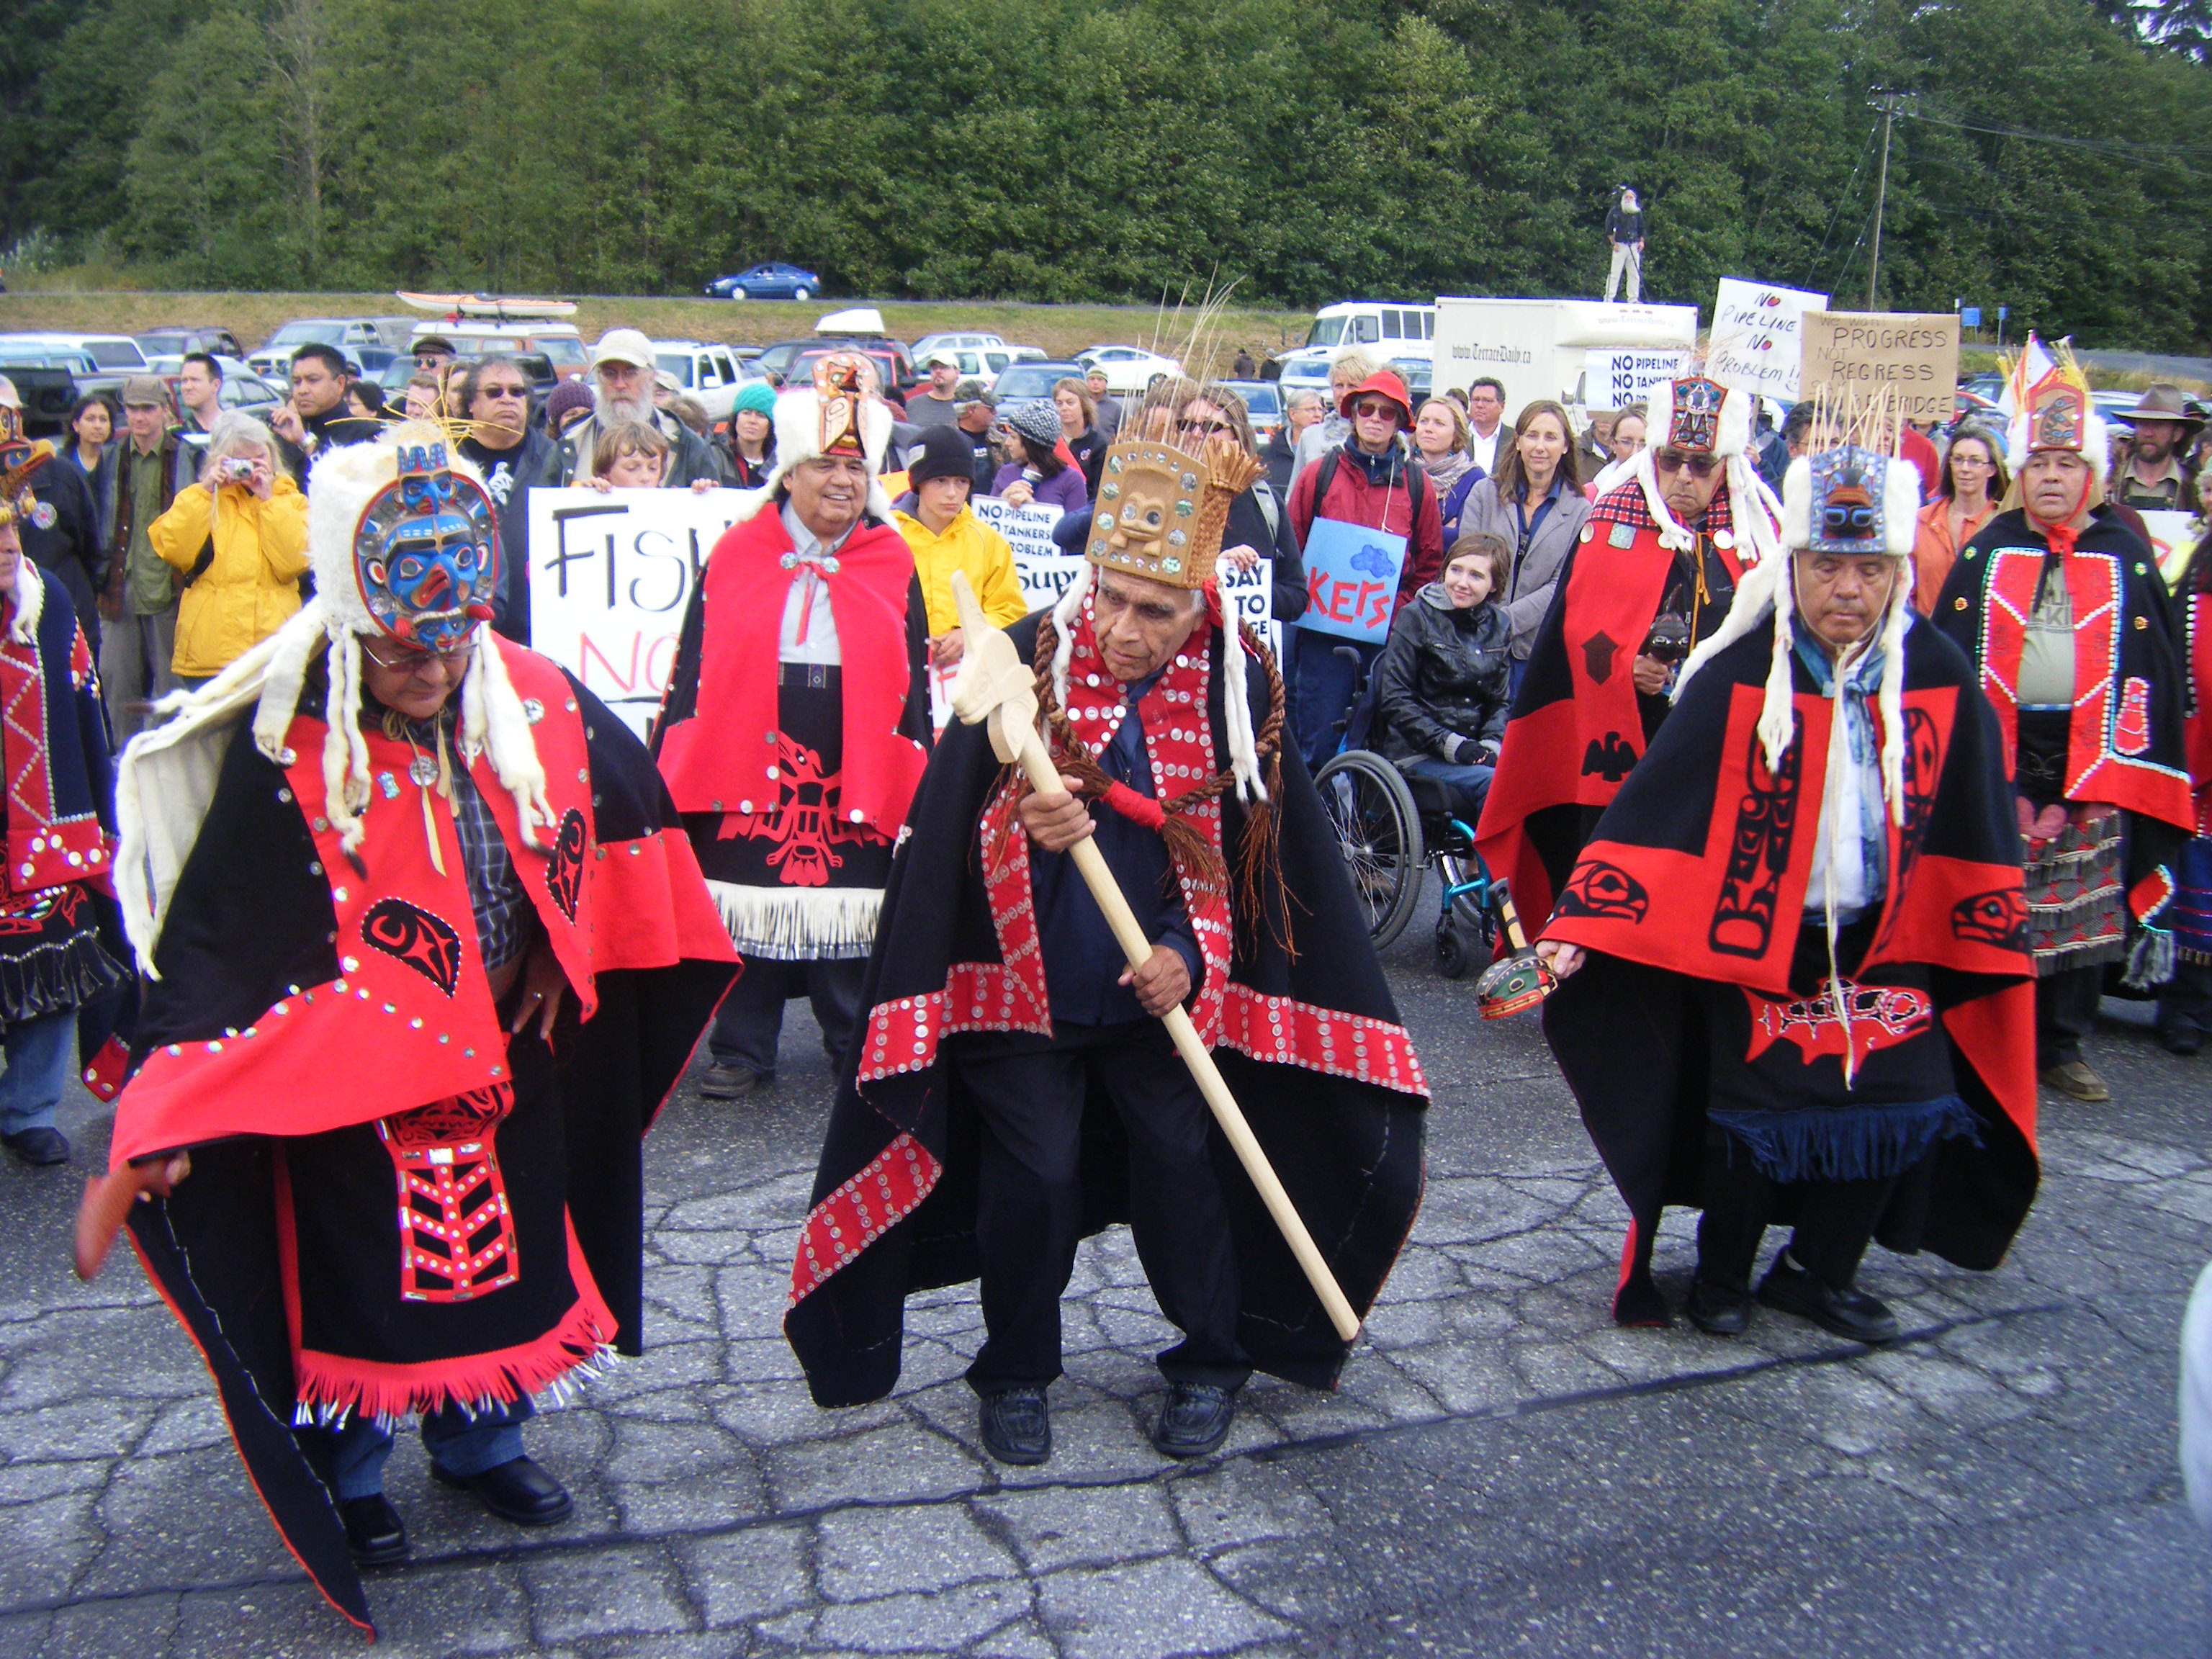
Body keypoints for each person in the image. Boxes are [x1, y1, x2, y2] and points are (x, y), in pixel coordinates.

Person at [96, 423, 737, 1630]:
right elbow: (220, 944)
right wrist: (168, 1109)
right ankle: (352, 1470)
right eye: (401, 652)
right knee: (358, 1275)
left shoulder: (529, 690)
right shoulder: (289, 743)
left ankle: (483, 1439)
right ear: (349, 628)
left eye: (450, 645)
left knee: (512, 1257)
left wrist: (564, 936)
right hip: (352, 1078)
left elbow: (623, 821)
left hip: (505, 1052)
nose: (433, 671)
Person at [783, 412, 1427, 1465]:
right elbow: (952, 836)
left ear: (1201, 600)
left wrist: (1192, 954)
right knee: (1032, 1179)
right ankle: (1017, 1371)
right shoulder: (1023, 654)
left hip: (1154, 997)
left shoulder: (1241, 682)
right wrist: (1023, 829)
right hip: (1026, 997)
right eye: (1114, 601)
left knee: (1185, 1167)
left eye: (1157, 611)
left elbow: (1247, 845)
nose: (1126, 631)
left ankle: (1211, 1361)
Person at [1537, 415, 2038, 1339]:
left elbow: (1976, 817)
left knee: (1899, 1108)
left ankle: (1816, 1270)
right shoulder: (1734, 670)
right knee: (1751, 1124)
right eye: (1827, 568)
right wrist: (1581, 920)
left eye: (1872, 569)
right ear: (1794, 566)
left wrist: (1986, 920)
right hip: (1758, 945)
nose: (1849, 589)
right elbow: (1656, 809)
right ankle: (1723, 1276)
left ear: (1898, 572)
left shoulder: (1936, 671)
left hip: (1895, 942)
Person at [654, 354, 931, 1102]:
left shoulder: (890, 556)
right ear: (788, 474)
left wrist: (917, 768)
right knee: (746, 900)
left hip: (856, 749)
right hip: (749, 744)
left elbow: (912, 680)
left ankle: (850, 1043)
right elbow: (694, 671)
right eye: (822, 468)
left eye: (855, 471)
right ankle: (743, 1047)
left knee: (850, 903)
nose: (842, 483)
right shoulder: (737, 553)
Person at [1935, 341, 2193, 1103]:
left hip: (2096, 766)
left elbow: (2157, 665)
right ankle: (1980, 1034)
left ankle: (2061, 1046)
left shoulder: (2126, 554)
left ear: (2093, 475)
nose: (2052, 477)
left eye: (2067, 465)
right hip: (2001, 763)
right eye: (2041, 465)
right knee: (1996, 903)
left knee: (2081, 919)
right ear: (2023, 472)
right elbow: (1947, 657)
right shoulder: (1987, 551)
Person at [1478, 374, 1783, 930]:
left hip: (1723, 739)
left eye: (1701, 463)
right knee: (1614, 870)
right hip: (1625, 739)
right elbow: (1576, 635)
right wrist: (1623, 667)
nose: (1683, 476)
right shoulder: (1614, 519)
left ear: (1728, 466)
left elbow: (1781, 643)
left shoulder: (1758, 537)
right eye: (1670, 460)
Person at [0, 436, 127, 1169]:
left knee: (48, 966)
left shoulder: (48, 606)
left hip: (48, 827)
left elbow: (86, 712)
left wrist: (104, 822)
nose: (7, 545)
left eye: (12, 528)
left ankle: (29, 1109)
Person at [1285, 367, 1445, 770]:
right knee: (1316, 742)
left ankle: (1367, 827)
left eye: (1387, 413)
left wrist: (1397, 612)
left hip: (1387, 636)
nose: (1375, 418)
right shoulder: (1317, 474)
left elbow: (1430, 564)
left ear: (1400, 423)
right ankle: (1314, 828)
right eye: (1367, 409)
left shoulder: (1417, 484)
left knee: (1379, 744)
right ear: (1352, 414)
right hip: (1324, 637)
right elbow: (1291, 548)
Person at [145, 411, 309, 688]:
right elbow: (173, 549)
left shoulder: (291, 501)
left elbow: (294, 562)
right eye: (241, 461)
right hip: (211, 654)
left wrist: (269, 499)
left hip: (273, 652)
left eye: (259, 457)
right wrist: (206, 490)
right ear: (220, 460)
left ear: (272, 455)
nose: (251, 469)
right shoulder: (200, 498)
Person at [1375, 530, 1513, 822]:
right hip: (1416, 752)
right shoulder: (1416, 616)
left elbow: (1499, 701)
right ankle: (1487, 869)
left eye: (1476, 576)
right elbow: (1396, 700)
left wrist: (1490, 745)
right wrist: (1453, 745)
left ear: (1494, 585)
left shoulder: (1500, 625)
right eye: (1456, 570)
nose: (1462, 583)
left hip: (1474, 752)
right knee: (1497, 785)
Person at [1457, 400, 1593, 680]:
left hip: (1534, 652)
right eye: (1532, 435)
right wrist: (1486, 621)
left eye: (1551, 437)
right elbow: (1466, 564)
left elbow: (1563, 583)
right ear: (1518, 441)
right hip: (1474, 641)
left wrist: (1506, 621)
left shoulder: (1581, 510)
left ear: (1566, 446)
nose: (1540, 446)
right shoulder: (1484, 494)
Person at [100, 375, 189, 744]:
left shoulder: (185, 455)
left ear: (165, 410)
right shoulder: (111, 457)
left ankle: (166, 759)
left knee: (171, 688)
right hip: (119, 586)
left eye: (147, 408)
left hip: (167, 587)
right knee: (116, 679)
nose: (139, 417)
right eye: (132, 408)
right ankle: (123, 761)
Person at [895, 426, 1026, 673]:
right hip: (899, 674)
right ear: (919, 483)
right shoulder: (889, 536)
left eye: (962, 481)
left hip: (967, 679)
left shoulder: (989, 541)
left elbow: (1011, 612)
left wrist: (971, 634)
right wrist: (910, 640)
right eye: (940, 481)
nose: (952, 493)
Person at [454, 354, 561, 644]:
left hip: (538, 628)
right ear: (471, 404)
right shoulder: (446, 459)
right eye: (494, 392)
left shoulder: (558, 458)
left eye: (517, 392)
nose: (507, 399)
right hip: (464, 628)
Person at [557, 330, 728, 488]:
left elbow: (714, 515)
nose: (620, 385)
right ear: (598, 378)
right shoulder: (571, 442)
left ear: (651, 377)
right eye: (610, 374)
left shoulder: (687, 445)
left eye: (630, 373)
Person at [1910, 423, 2005, 614]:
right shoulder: (1921, 521)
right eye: (1958, 459)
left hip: (1981, 640)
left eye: (1975, 461)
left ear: (1992, 469)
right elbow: (1906, 590)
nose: (1965, 468)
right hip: (1928, 638)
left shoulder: (2003, 524)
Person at [269, 343, 374, 481]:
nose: (302, 390)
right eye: (296, 382)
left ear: (341, 383)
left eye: (313, 380)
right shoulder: (282, 433)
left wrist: (305, 442)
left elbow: (354, 484)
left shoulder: (367, 434)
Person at [1288, 348, 1388, 485]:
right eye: (1339, 385)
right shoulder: (1310, 436)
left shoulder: (1383, 436)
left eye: (1352, 386)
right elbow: (1294, 496)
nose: (1344, 393)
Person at [2110, 385, 2205, 514]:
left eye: (2159, 425)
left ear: (2177, 434)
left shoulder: (2196, 487)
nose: (2149, 433)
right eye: (2143, 424)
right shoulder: (2110, 479)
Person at [993, 401, 1089, 513]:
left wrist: (1033, 509)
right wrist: (1000, 501)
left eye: (1013, 437)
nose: (1007, 443)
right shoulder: (1006, 473)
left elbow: (1075, 528)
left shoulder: (1071, 480)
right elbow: (986, 523)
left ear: (1031, 443)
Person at [1411, 396, 1483, 544]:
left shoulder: (1474, 479)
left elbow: (1464, 538)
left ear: (1456, 433)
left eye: (1439, 423)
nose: (1428, 429)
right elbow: (1390, 532)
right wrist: (1441, 531)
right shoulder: (1401, 472)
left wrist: (1412, 532)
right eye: (1423, 421)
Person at [62, 392, 117, 549]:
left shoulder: (118, 461)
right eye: (90, 419)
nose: (98, 425)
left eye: (103, 419)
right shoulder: (62, 462)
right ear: (76, 425)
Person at [1055, 377, 1107, 494]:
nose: (1064, 408)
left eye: (1070, 403)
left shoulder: (1098, 443)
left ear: (1084, 405)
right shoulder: (1049, 440)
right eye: (1059, 403)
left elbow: (1098, 490)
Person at [1266, 388, 1323, 497]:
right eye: (1311, 409)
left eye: (1320, 410)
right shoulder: (1268, 454)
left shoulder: (1328, 452)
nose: (1318, 415)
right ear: (1292, 414)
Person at [1584, 403, 1647, 500]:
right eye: (1626, 442)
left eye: (1644, 444)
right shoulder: (1592, 493)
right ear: (1613, 443)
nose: (1635, 452)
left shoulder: (1670, 495)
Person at [724, 379, 778, 487]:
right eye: (746, 413)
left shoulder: (779, 464)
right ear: (736, 419)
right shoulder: (717, 457)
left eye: (761, 415)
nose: (752, 421)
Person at [1604, 186, 1645, 302]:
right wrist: (1613, 243)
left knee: (1634, 274)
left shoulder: (1637, 212)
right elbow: (1608, 227)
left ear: (1634, 199)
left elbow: (1642, 228)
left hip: (1633, 246)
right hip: (1620, 245)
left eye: (1630, 197)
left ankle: (1633, 299)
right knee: (1615, 273)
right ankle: (1608, 298)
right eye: (1626, 197)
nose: (1628, 199)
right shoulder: (1617, 211)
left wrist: (1642, 242)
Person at [176, 352, 224, 451]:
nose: (188, 387)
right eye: (184, 381)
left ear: (216, 385)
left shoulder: (234, 431)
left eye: (195, 380)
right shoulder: (176, 435)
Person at [1464, 377, 1509, 476]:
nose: (1480, 405)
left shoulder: (1513, 439)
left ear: (1502, 406)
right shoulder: (1459, 435)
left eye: (1487, 400)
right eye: (1475, 400)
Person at [905, 351, 963, 428]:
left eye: (944, 367)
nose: (938, 371)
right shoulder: (913, 404)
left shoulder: (968, 405)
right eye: (934, 368)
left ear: (957, 372)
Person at [542, 377, 595, 441]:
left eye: (587, 414)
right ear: (555, 423)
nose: (581, 420)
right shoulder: (546, 450)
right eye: (572, 415)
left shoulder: (604, 448)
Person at [1084, 367, 1123, 441]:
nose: (1095, 383)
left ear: (1106, 383)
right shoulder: (1081, 405)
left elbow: (1123, 435)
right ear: (1087, 382)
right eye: (1092, 379)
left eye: (1100, 379)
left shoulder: (1116, 409)